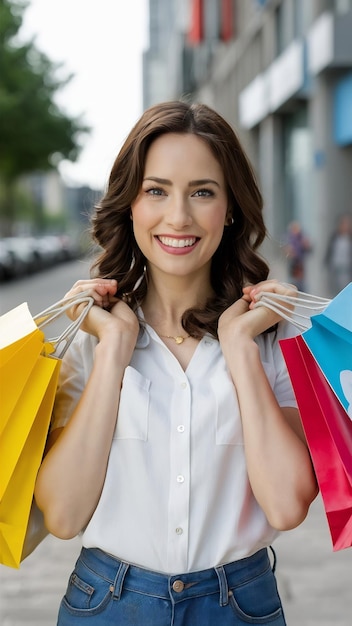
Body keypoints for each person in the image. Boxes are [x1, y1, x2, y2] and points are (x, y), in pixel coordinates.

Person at [35, 101, 318, 626]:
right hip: (106, 603)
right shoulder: (91, 340)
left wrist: (238, 349)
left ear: (230, 207)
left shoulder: (273, 338)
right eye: (157, 190)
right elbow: (65, 515)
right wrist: (115, 353)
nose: (179, 217)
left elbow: (286, 507)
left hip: (240, 606)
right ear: (131, 205)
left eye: (202, 192)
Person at [324, 214, 352, 296]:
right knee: (335, 287)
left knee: (344, 286)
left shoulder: (349, 238)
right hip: (335, 266)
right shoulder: (335, 236)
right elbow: (330, 250)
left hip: (346, 268)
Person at [283, 221, 311, 291]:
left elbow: (308, 249)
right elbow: (285, 250)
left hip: (300, 262)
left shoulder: (302, 238)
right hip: (293, 263)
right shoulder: (288, 239)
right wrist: (289, 251)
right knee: (293, 281)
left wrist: (306, 246)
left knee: (301, 281)